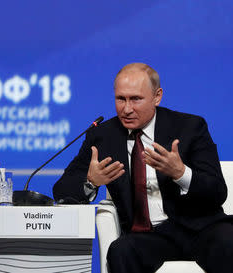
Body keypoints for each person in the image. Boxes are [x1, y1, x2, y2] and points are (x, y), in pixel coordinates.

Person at [53, 63, 233, 273]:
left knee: (229, 241)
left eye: (136, 99)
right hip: (150, 237)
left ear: (157, 96)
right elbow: (62, 189)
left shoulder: (190, 127)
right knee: (121, 250)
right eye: (121, 99)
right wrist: (90, 183)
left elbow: (217, 192)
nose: (127, 109)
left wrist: (181, 174)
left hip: (200, 229)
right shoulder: (103, 136)